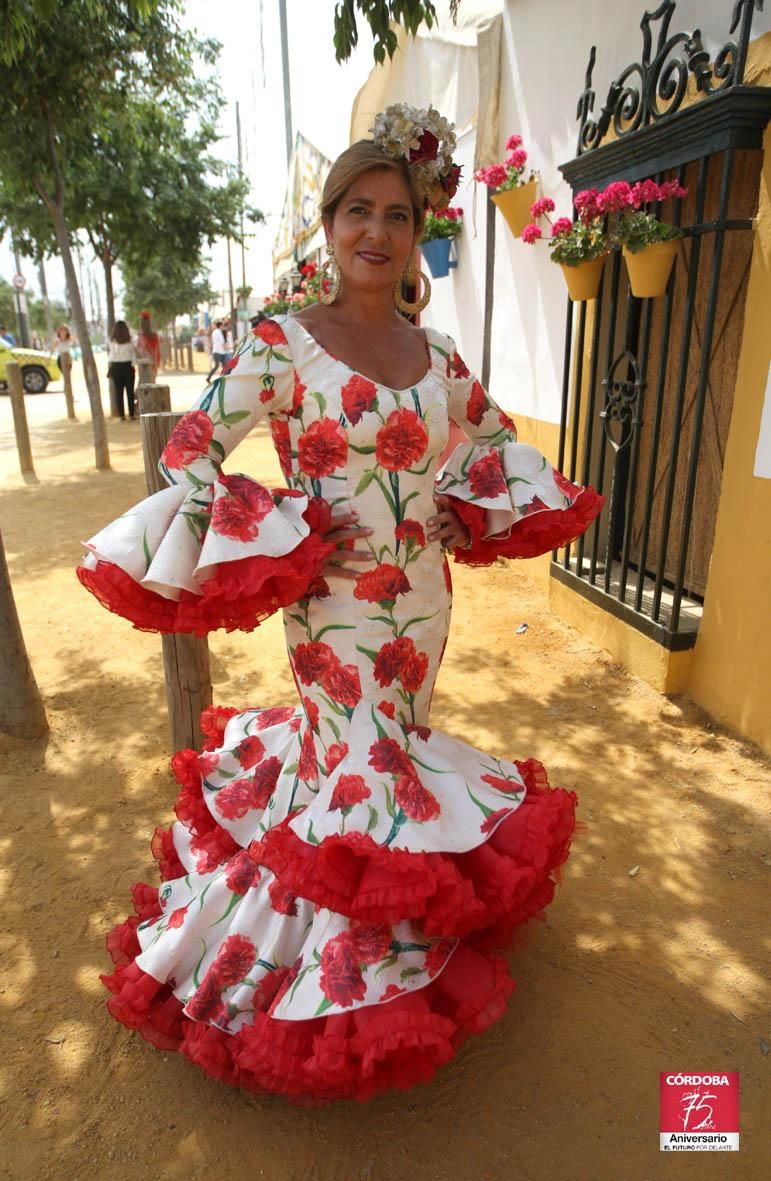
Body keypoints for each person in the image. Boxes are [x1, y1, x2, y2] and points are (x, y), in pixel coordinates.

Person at [77, 103, 603, 1105]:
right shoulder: (284, 343)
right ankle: (313, 986)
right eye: (356, 210)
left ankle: (389, 940)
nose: (375, 230)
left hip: (422, 606)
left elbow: (487, 445)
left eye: (396, 214)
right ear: (329, 228)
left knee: (391, 758)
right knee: (350, 767)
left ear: (417, 232)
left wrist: (461, 508)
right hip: (333, 612)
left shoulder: (437, 355)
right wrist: (283, 530)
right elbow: (189, 451)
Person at [108, 320, 137, 420]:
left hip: (116, 367)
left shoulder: (111, 342)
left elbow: (111, 357)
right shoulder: (130, 342)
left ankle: (121, 415)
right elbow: (133, 356)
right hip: (128, 366)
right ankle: (131, 414)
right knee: (130, 391)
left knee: (118, 392)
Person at [135, 311, 160, 382]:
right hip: (152, 361)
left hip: (142, 363)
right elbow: (156, 350)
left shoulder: (140, 336)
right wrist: (156, 363)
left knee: (143, 382)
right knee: (152, 382)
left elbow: (137, 350)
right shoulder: (154, 335)